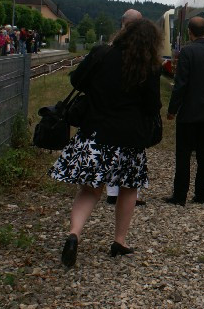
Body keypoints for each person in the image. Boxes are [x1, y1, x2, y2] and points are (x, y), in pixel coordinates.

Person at [49, 18, 162, 267]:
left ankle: (74, 234)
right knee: (128, 188)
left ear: (124, 32)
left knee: (89, 190)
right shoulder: (149, 67)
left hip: (95, 134)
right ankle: (119, 241)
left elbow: (76, 81)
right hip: (129, 140)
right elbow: (153, 107)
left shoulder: (102, 53)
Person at [165, 17, 204, 206]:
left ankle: (180, 195)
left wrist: (172, 109)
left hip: (189, 113)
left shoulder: (187, 52)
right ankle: (202, 194)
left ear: (190, 32)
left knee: (183, 154)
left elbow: (181, 85)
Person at [106, 9, 145, 206]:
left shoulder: (109, 48)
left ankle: (112, 192)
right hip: (134, 114)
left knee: (113, 151)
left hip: (110, 111)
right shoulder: (145, 53)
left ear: (122, 23)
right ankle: (132, 194)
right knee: (132, 156)